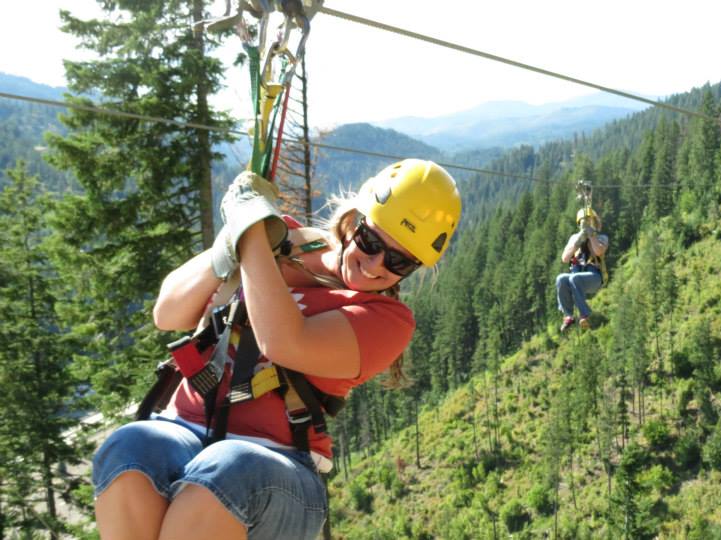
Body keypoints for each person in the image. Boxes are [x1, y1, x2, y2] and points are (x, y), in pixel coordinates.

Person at [91, 159, 461, 540]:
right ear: (355, 220)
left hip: (277, 465)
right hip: (183, 428)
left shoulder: (386, 320)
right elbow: (168, 312)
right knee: (129, 447)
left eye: (399, 262)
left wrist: (251, 234)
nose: (374, 264)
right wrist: (233, 238)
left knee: (227, 469)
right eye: (371, 241)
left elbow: (284, 343)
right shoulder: (286, 239)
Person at [556, 207, 608, 332]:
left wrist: (591, 236)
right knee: (561, 279)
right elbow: (565, 258)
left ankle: (585, 315)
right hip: (577, 275)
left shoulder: (601, 237)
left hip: (594, 277)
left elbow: (598, 251)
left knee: (574, 278)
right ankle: (568, 315)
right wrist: (578, 241)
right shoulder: (574, 238)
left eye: (590, 222)